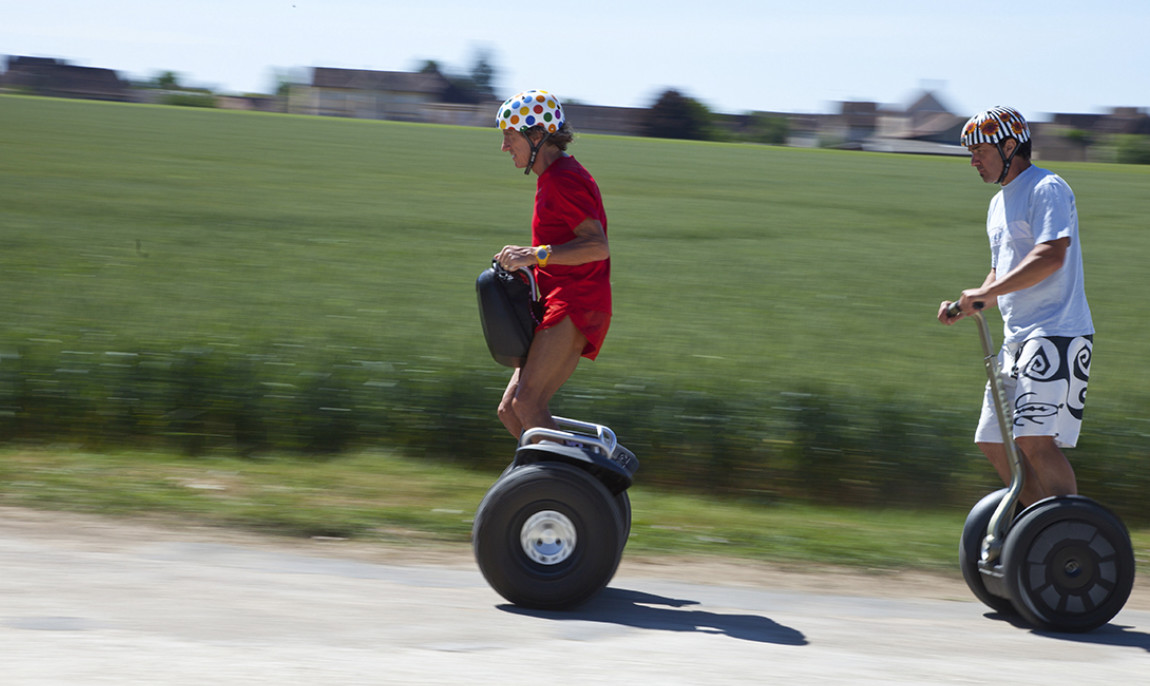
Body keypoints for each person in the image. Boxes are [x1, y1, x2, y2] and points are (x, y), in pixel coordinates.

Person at [938, 105, 1094, 507]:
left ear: (1011, 146)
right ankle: (1037, 527)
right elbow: (1000, 271)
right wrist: (968, 302)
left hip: (1056, 333)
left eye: (981, 152)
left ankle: (1066, 532)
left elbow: (1050, 256)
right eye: (970, 153)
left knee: (1032, 438)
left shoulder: (1047, 188)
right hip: (1018, 338)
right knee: (992, 440)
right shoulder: (997, 204)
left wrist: (987, 295)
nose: (973, 161)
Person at [491, 89, 611, 438]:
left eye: (510, 136)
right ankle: (543, 487)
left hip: (574, 302)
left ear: (537, 135)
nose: (504, 146)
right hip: (558, 301)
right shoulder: (552, 178)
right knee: (510, 409)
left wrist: (533, 254)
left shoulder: (564, 179)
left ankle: (577, 487)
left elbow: (596, 246)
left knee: (527, 403)